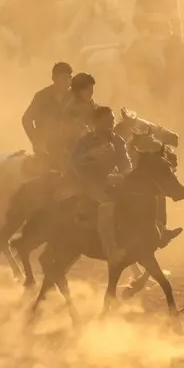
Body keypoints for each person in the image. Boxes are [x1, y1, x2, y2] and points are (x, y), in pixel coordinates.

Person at [71, 106, 133, 265]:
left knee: (136, 197)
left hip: (111, 180)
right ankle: (110, 249)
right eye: (108, 119)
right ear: (97, 122)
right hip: (89, 181)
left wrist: (124, 174)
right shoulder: (85, 141)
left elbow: (126, 163)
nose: (112, 122)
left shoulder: (117, 140)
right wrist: (90, 155)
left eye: (112, 119)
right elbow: (74, 162)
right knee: (107, 205)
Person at [131, 0, 182, 83]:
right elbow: (137, 18)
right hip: (148, 39)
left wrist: (178, 37)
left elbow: (176, 19)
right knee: (158, 63)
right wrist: (145, 33)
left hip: (166, 37)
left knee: (181, 61)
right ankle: (156, 92)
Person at [21, 61, 73, 162]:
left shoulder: (74, 97)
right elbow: (26, 119)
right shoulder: (42, 97)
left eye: (69, 78)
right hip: (46, 149)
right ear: (54, 79)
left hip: (69, 148)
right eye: (64, 78)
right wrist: (36, 141)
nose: (67, 81)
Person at [57, 72, 98, 157]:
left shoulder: (94, 107)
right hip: (76, 152)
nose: (90, 92)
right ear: (77, 91)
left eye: (91, 89)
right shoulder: (72, 110)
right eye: (87, 89)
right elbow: (70, 134)